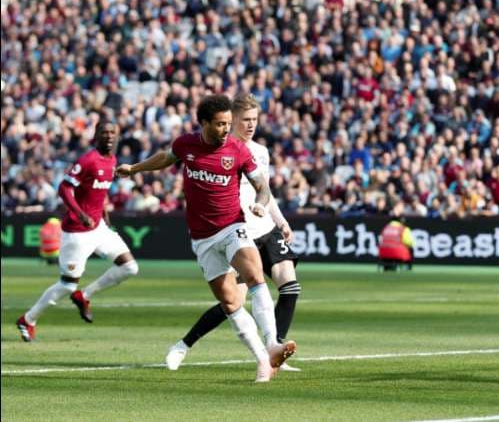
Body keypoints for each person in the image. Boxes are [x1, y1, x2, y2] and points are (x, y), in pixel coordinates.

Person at [116, 95, 295, 383]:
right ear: (204, 124)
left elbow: (262, 185)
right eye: (221, 124)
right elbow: (165, 158)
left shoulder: (238, 150)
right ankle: (263, 359)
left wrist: (261, 204)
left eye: (228, 124)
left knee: (254, 274)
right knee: (230, 302)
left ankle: (273, 341)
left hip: (233, 226)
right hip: (202, 237)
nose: (227, 129)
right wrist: (135, 168)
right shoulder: (186, 144)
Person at [164, 93, 302, 372]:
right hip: (236, 230)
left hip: (264, 227)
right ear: (231, 120)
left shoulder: (260, 151)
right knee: (233, 300)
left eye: (255, 120)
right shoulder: (220, 147)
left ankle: (274, 347)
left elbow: (265, 190)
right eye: (245, 120)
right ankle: (185, 343)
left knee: (290, 286)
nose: (251, 125)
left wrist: (281, 220)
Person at [17, 121, 140, 341]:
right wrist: (80, 214)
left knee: (130, 267)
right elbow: (64, 188)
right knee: (67, 284)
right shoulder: (88, 160)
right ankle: (28, 319)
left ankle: (85, 295)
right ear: (96, 135)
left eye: (113, 132)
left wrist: (105, 214)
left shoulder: (112, 160)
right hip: (77, 231)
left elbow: (98, 192)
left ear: (118, 137)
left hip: (99, 228)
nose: (109, 136)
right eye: (104, 132)